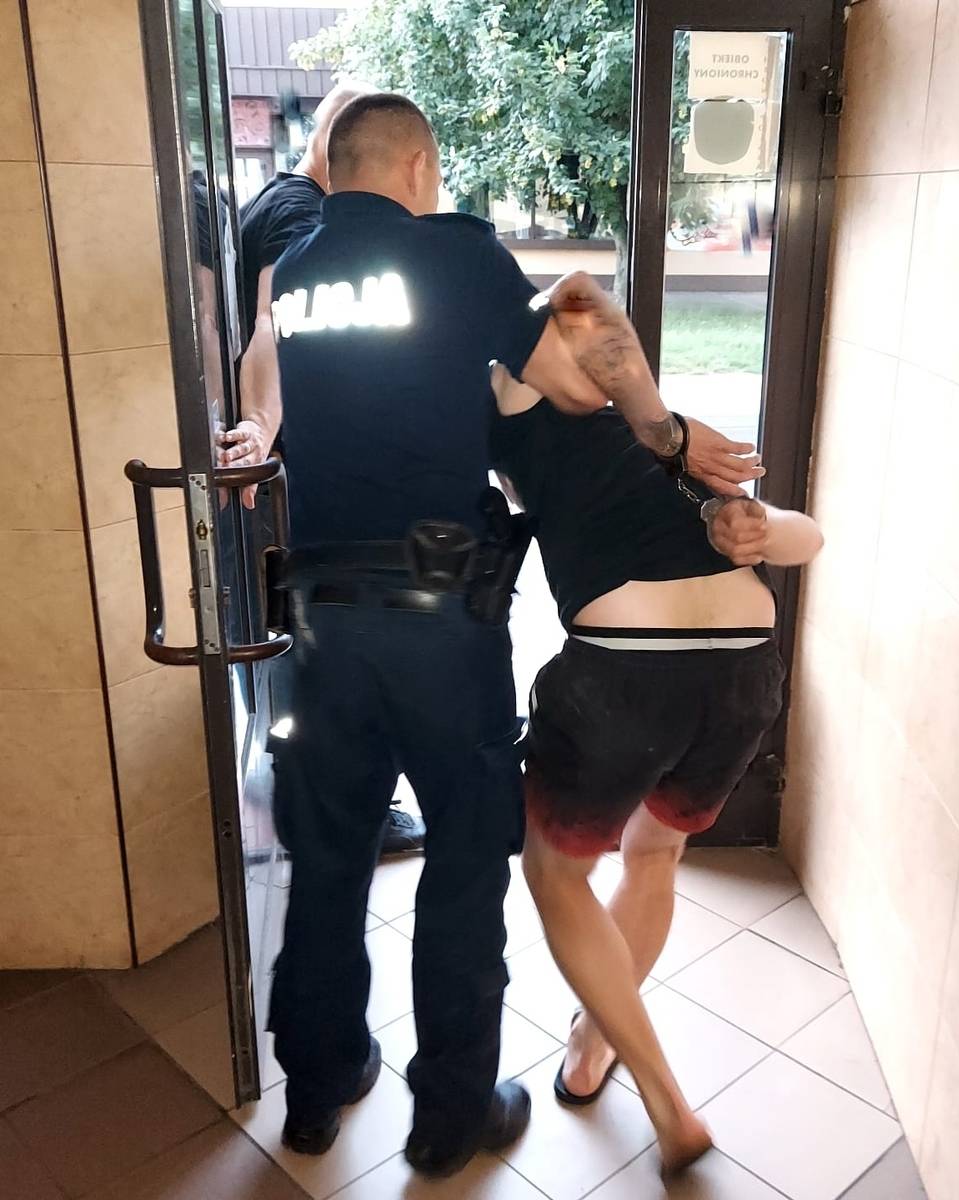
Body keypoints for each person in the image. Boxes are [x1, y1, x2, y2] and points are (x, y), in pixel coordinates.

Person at [264, 91, 760, 1175]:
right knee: (460, 866)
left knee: (329, 858)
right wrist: (668, 433)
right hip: (440, 610)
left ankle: (316, 1086)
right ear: (418, 167)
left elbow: (278, 394)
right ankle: (449, 1119)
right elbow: (572, 375)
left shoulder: (293, 274)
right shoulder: (456, 254)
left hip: (320, 616)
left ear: (336, 168)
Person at [490, 358, 823, 1177]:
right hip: (744, 671)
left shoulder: (649, 431)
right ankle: (593, 1042)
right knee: (654, 856)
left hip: (629, 671)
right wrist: (761, 527)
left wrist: (759, 527)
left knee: (557, 875)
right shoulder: (639, 430)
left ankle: (665, 1101)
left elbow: (804, 535)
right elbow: (808, 538)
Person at [222, 81, 426, 855]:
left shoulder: (279, 200)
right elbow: (271, 328)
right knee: (328, 646)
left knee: (300, 640)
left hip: (285, 472)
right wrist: (262, 425)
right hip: (300, 475)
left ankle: (309, 786)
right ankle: (347, 809)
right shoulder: (302, 216)